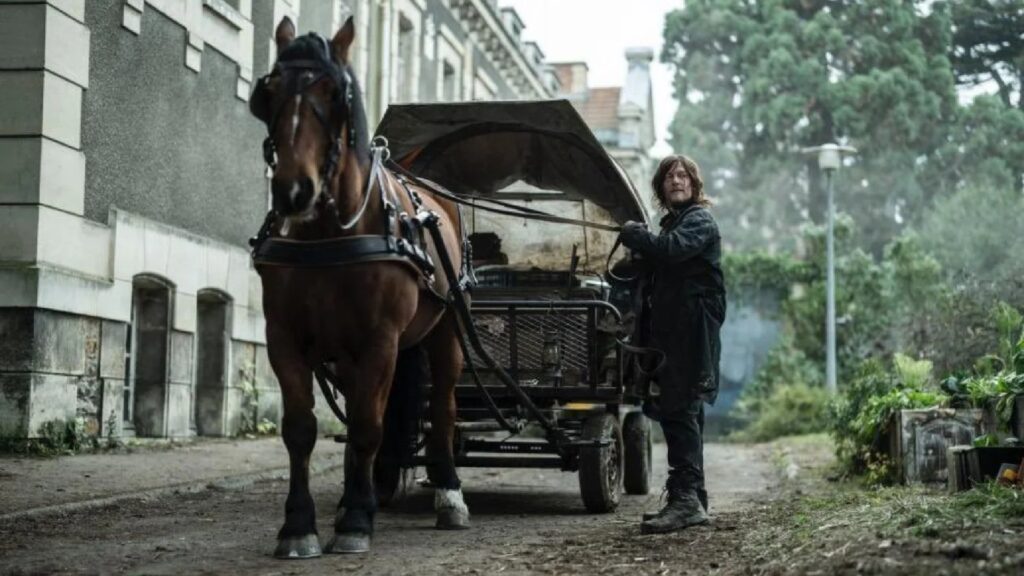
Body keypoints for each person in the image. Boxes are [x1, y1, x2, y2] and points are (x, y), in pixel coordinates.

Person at [618, 154, 726, 535]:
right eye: (669, 177)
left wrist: (637, 235)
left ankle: (686, 502)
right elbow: (656, 263)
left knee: (680, 409)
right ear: (661, 188)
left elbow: (671, 251)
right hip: (674, 329)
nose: (677, 181)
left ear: (695, 185)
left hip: (691, 330)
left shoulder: (698, 221)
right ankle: (692, 496)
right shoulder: (672, 224)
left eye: (683, 176)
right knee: (684, 411)